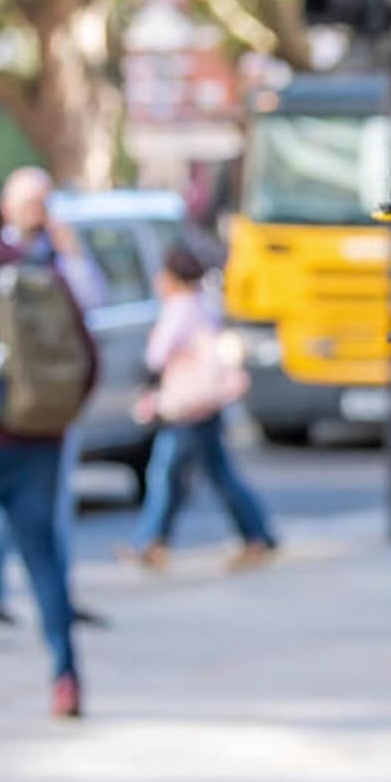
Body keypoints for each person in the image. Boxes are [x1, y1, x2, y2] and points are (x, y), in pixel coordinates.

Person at [0, 172, 96, 717]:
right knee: (44, 562)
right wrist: (56, 416)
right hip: (39, 438)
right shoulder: (39, 271)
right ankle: (65, 676)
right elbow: (86, 356)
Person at [120, 243, 277, 569]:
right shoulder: (205, 305)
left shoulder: (179, 309)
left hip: (186, 407)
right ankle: (255, 533)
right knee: (213, 475)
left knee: (166, 475)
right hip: (208, 402)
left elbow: (156, 356)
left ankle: (150, 541)